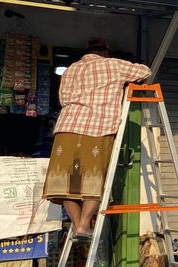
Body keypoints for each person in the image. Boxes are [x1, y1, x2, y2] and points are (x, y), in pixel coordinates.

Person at [44, 38, 151, 241]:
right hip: (97, 128)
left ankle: (78, 226)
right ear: (105, 52)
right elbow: (145, 71)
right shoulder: (112, 65)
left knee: (65, 183)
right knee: (93, 179)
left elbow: (62, 97)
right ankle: (85, 223)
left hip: (66, 128)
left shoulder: (70, 70)